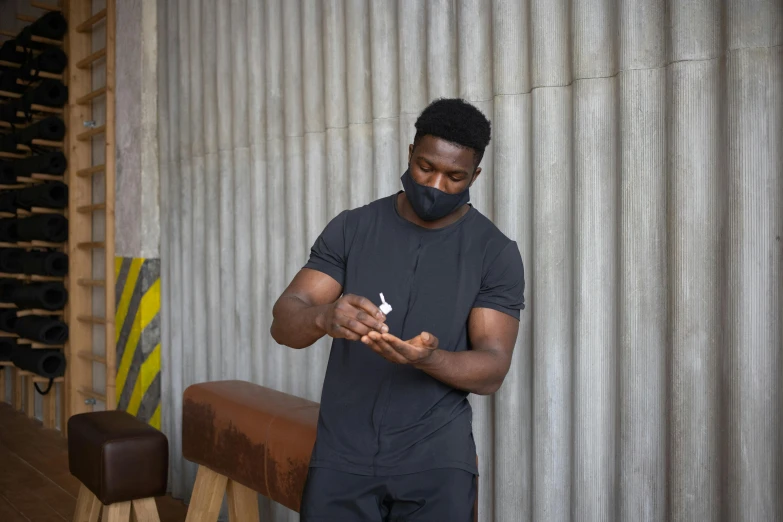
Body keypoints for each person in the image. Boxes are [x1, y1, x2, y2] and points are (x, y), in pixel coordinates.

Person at [271, 98, 525, 522]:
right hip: (342, 455)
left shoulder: (494, 252)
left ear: (475, 176)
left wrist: (428, 359)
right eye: (426, 167)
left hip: (436, 462)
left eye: (455, 176)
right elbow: (285, 321)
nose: (436, 185)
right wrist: (325, 315)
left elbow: (493, 368)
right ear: (410, 153)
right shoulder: (353, 228)